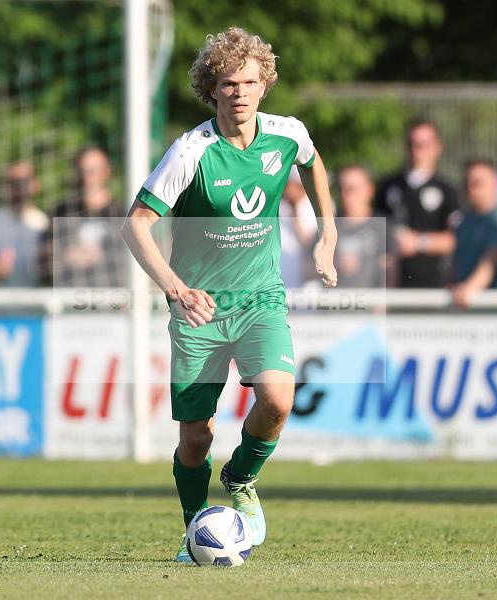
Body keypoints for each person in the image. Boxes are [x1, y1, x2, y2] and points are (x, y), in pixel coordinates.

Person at [121, 27, 337, 562]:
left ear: (264, 85)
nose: (238, 91)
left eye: (248, 80)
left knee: (279, 399)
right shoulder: (191, 152)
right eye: (226, 83)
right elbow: (136, 225)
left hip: (260, 299)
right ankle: (196, 528)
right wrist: (175, 287)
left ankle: (241, 475)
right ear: (210, 90)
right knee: (195, 437)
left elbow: (312, 166)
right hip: (200, 311)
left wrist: (328, 235)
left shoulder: (287, 134)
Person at [375, 120, 458, 288]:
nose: (416, 150)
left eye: (423, 144)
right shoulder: (389, 186)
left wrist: (419, 242)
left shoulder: (448, 190)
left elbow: (456, 239)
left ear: (437, 147)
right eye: (411, 144)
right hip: (390, 284)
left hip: (433, 285)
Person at [47, 146, 126, 287]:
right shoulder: (62, 212)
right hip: (71, 299)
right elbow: (44, 257)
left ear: (106, 171)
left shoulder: (123, 214)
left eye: (92, 171)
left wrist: (101, 257)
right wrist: (66, 256)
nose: (86, 177)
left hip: (115, 300)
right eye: (82, 171)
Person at [450, 160, 497, 307]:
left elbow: (491, 261)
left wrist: (469, 288)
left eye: (477, 183)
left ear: (496, 182)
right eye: (467, 183)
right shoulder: (465, 220)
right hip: (467, 310)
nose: (471, 188)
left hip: (495, 314)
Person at [335, 164, 396, 288]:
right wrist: (334, 263)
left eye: (352, 188)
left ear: (369, 190)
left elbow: (389, 268)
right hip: (335, 303)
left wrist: (382, 303)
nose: (345, 194)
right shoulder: (330, 226)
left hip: (369, 304)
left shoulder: (382, 226)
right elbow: (308, 264)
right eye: (341, 188)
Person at [278, 167, 318, 288]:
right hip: (284, 276)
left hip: (308, 280)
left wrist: (295, 210)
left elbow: (309, 244)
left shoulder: (316, 206)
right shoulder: (280, 206)